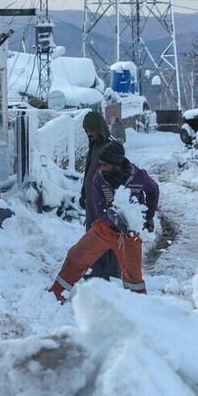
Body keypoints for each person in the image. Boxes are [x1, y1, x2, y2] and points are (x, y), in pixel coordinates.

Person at [49, 140, 159, 303]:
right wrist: (115, 221)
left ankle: (139, 307)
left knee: (133, 276)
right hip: (105, 229)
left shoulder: (139, 176)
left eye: (105, 165)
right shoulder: (99, 179)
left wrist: (148, 216)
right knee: (76, 255)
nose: (101, 168)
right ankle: (55, 295)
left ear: (117, 164)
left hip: (130, 235)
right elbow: (100, 209)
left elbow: (153, 190)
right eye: (100, 164)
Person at [80, 112, 120, 280]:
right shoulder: (94, 146)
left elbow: (117, 173)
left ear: (99, 128)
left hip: (105, 200)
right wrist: (84, 193)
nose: (90, 133)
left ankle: (110, 270)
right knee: (93, 232)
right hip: (92, 201)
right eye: (87, 130)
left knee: (107, 232)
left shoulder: (110, 146)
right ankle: (98, 267)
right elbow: (89, 171)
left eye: (92, 129)